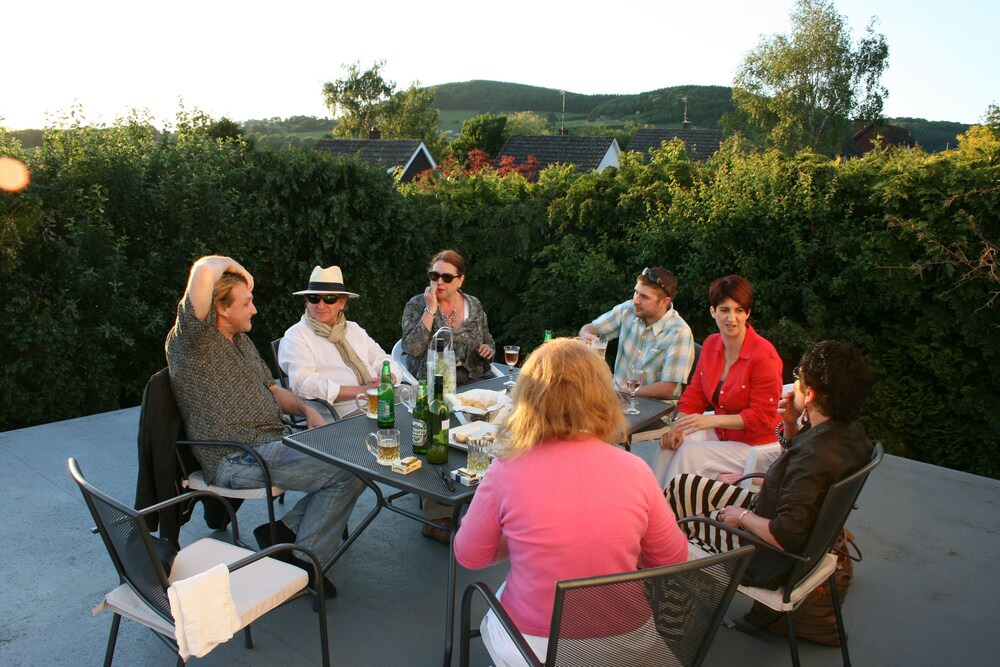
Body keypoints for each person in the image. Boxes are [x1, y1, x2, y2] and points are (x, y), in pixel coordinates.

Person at [454, 338, 688, 666]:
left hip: (536, 649)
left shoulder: (507, 470)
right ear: (602, 397)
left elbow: (470, 555)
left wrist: (522, 538)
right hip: (628, 644)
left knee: (502, 601)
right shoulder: (635, 469)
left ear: (529, 399)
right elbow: (672, 557)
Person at [165, 255, 365, 597]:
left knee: (354, 459)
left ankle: (284, 532)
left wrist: (306, 408)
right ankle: (305, 560)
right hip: (237, 458)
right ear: (221, 307)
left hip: (273, 443)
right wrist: (237, 268)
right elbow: (201, 271)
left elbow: (274, 390)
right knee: (350, 468)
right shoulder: (193, 342)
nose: (254, 309)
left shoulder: (241, 342)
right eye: (247, 302)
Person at [667, 340, 875, 589]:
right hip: (773, 518)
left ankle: (664, 588)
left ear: (810, 395)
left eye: (799, 376)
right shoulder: (847, 434)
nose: (795, 382)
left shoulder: (816, 457)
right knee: (682, 486)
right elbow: (799, 468)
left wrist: (742, 516)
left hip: (760, 554)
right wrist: (790, 425)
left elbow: (783, 536)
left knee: (673, 522)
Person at [653, 274, 782, 487]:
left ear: (748, 313)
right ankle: (652, 506)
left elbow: (760, 417)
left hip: (758, 447)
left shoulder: (763, 356)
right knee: (671, 442)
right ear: (713, 312)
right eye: (724, 310)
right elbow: (695, 395)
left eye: (739, 310)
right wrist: (678, 426)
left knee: (689, 454)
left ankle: (671, 516)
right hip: (724, 436)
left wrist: (711, 421)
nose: (732, 318)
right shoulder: (712, 344)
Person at [278, 265, 401, 418]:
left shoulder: (353, 329)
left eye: (330, 299)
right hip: (344, 411)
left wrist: (388, 378)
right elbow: (303, 385)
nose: (320, 305)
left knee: (420, 402)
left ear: (342, 303)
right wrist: (363, 391)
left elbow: (382, 359)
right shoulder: (296, 336)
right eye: (314, 298)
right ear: (306, 302)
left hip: (378, 397)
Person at [578, 266, 695, 401]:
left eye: (644, 297)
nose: (636, 300)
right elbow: (590, 328)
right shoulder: (628, 310)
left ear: (664, 302)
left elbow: (667, 388)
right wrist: (585, 336)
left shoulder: (679, 332)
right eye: (636, 293)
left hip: (653, 408)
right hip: (615, 398)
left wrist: (620, 393)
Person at [401, 249, 496, 384]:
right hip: (432, 382)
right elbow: (412, 349)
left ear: (460, 280)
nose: (439, 282)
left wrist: (487, 350)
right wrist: (430, 309)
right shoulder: (416, 304)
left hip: (474, 379)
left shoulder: (474, 305)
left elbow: (489, 342)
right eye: (434, 276)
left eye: (447, 277)